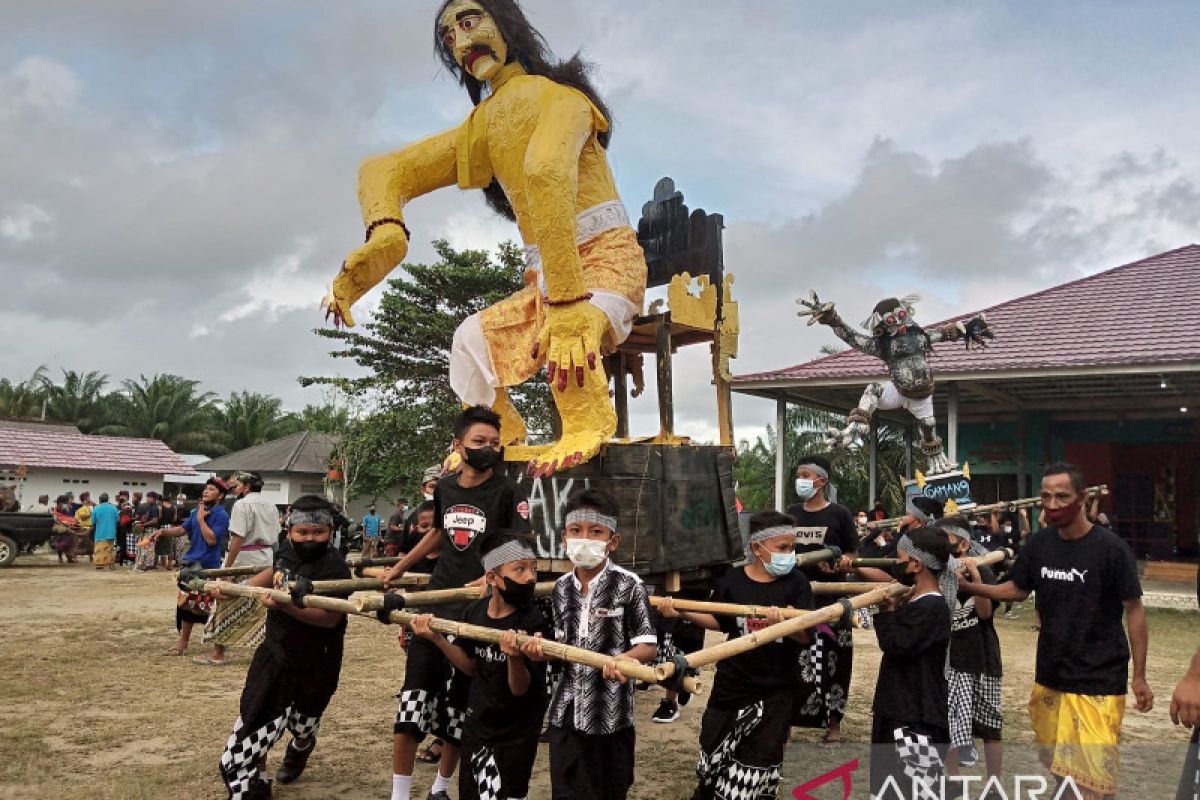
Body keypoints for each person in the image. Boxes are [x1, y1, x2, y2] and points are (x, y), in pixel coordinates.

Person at [328, 0, 650, 477]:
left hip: (606, 262)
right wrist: (386, 234)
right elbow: (382, 170)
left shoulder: (564, 99)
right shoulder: (484, 123)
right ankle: (499, 431)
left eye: (468, 22)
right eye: (447, 38)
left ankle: (586, 423)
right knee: (468, 340)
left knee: (572, 335)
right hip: (548, 278)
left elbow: (545, 171)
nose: (459, 42)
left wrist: (567, 304)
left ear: (507, 24)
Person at [958, 462, 1153, 799]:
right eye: (1046, 496)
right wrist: (974, 588)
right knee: (1058, 769)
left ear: (1082, 498)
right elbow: (1017, 589)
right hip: (1050, 676)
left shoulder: (1111, 550)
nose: (1052, 504)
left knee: (1090, 781)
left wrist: (1140, 676)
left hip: (1099, 680)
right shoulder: (1039, 544)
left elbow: (1134, 610)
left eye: (1062, 496)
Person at [382, 405, 532, 800]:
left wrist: (488, 578)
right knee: (413, 699)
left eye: (495, 444)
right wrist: (398, 567)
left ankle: (440, 788)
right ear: (458, 444)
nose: (487, 449)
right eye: (479, 441)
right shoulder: (445, 488)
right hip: (438, 601)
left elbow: (516, 545)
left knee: (459, 707)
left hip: (477, 609)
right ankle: (399, 794)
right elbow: (438, 536)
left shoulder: (508, 490)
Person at [658, 510, 813, 799]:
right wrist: (681, 610)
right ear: (758, 548)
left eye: (792, 547)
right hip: (732, 684)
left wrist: (787, 624)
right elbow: (721, 621)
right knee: (713, 751)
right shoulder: (732, 581)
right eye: (783, 547)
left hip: (775, 689)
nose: (789, 554)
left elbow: (806, 636)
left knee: (757, 764)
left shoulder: (797, 583)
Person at [524, 487, 657, 800]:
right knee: (566, 792)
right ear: (564, 537)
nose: (585, 538)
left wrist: (623, 659)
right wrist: (541, 649)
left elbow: (648, 645)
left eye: (596, 532)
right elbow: (560, 642)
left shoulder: (629, 585)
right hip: (565, 713)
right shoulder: (559, 589)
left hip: (610, 717)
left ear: (613, 541)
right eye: (576, 530)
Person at [216, 494, 352, 800]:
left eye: (318, 533)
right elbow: (274, 572)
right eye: (302, 532)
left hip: (317, 658)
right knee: (258, 713)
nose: (309, 538)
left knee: (304, 721)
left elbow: (330, 619)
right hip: (276, 651)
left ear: (331, 532)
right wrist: (237, 590)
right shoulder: (286, 551)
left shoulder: (336, 568)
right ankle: (254, 778)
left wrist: (286, 606)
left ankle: (302, 745)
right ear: (289, 530)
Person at [409, 532, 550, 800]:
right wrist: (436, 638)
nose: (530, 577)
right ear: (492, 578)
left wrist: (514, 657)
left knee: (506, 794)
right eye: (519, 569)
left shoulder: (532, 620)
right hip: (480, 723)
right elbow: (471, 666)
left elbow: (520, 689)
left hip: (516, 730)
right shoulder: (474, 613)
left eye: (534, 568)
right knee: (473, 793)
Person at [868, 526, 955, 797]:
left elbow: (897, 645)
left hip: (915, 713)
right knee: (888, 785)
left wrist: (886, 613)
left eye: (900, 558)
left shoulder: (932, 607)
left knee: (919, 787)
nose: (896, 564)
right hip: (896, 706)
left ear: (916, 564)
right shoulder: (916, 601)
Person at [786, 454, 856, 744]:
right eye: (799, 475)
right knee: (793, 659)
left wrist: (841, 563)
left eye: (805, 475)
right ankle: (788, 724)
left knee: (835, 660)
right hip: (797, 597)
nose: (800, 480)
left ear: (821, 480)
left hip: (831, 599)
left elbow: (853, 553)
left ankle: (834, 724)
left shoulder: (839, 514)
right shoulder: (791, 513)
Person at [936, 515, 1004, 782]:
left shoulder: (984, 572)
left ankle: (994, 783)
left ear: (962, 545)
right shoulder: (938, 575)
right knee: (952, 724)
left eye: (946, 540)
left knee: (991, 726)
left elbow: (985, 614)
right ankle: (953, 781)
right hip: (953, 661)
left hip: (983, 658)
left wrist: (973, 580)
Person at [203, 472, 281, 666]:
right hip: (266, 557)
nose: (235, 488)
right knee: (262, 604)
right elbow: (277, 536)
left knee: (224, 600)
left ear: (246, 487)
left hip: (244, 558)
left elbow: (237, 538)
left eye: (238, 484)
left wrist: (227, 568)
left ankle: (218, 652)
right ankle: (264, 651)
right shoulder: (271, 505)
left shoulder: (242, 504)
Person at [152, 478, 231, 661]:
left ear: (220, 495)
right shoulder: (196, 511)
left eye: (211, 489)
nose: (206, 491)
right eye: (205, 488)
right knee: (186, 604)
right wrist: (163, 532)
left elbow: (212, 540)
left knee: (212, 607)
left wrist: (202, 520)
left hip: (208, 566)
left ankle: (217, 648)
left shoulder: (221, 515)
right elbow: (182, 530)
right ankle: (183, 643)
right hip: (190, 563)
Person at [398, 500, 439, 573]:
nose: (430, 530)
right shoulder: (412, 561)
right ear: (417, 528)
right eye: (424, 526)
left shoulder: (451, 560)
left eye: (435, 526)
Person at [90, 493, 119, 570]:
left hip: (100, 533)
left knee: (100, 549)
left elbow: (92, 521)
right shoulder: (114, 508)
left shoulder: (96, 509)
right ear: (107, 500)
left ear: (100, 500)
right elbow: (117, 519)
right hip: (111, 532)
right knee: (110, 549)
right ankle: (111, 565)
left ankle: (100, 565)